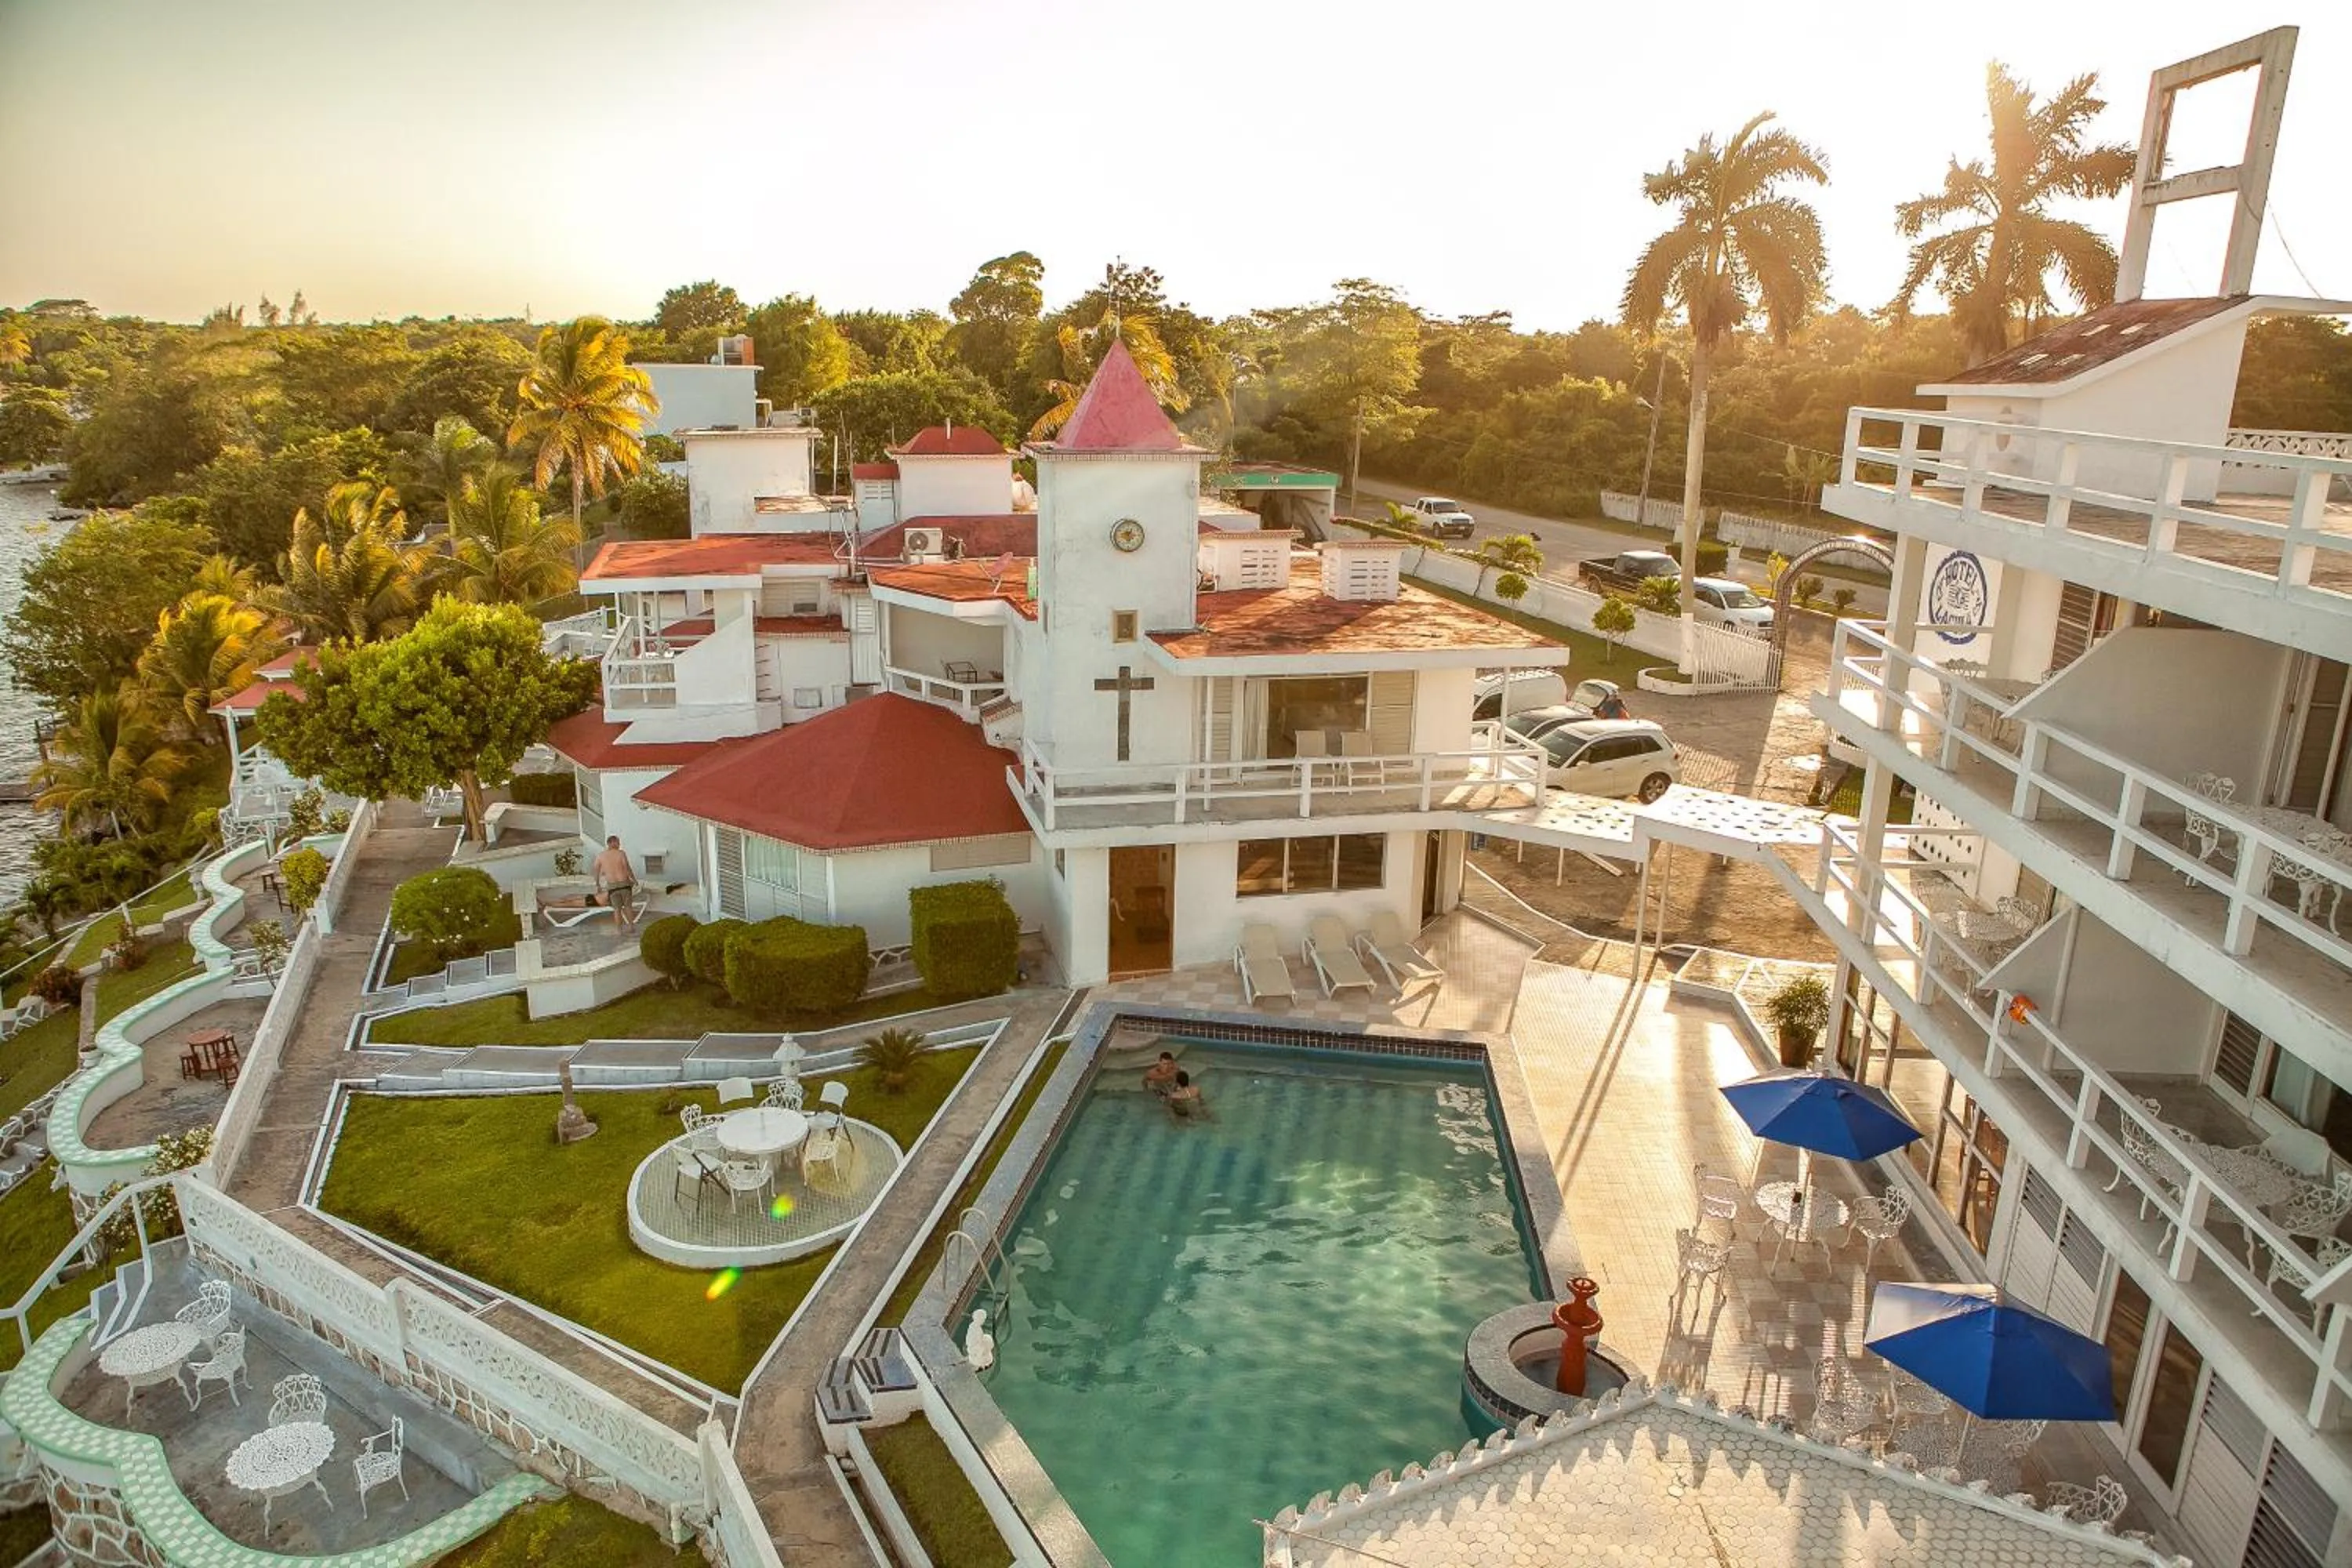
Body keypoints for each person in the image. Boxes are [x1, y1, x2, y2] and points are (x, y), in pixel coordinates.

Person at [592, 835, 640, 928]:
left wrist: (597, 884)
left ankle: (619, 931)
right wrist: (634, 880)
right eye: (618, 842)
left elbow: (596, 870)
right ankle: (631, 927)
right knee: (628, 907)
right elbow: (627, 868)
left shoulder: (601, 856)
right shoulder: (621, 853)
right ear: (612, 843)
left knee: (617, 909)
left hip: (612, 886)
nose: (619, 844)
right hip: (624, 884)